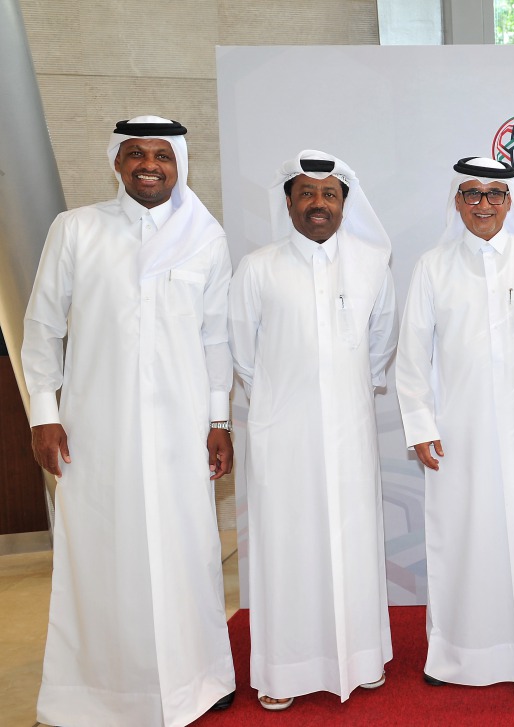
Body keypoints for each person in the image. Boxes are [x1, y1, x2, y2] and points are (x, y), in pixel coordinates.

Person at [22, 116, 236, 725]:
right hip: (97, 431)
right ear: (117, 163)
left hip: (181, 431)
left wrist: (219, 422)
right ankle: (91, 696)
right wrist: (45, 413)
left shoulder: (206, 239)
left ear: (180, 166)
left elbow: (215, 340)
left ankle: (200, 681)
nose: (150, 165)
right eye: (137, 154)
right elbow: (43, 327)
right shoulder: (76, 230)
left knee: (186, 552)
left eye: (163, 156)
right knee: (99, 557)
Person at [394, 157, 514, 689]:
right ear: (456, 202)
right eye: (471, 194)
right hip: (458, 432)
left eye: (496, 194)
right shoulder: (433, 264)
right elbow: (412, 354)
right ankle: (459, 655)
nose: (483, 204)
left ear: (511, 201)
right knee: (461, 534)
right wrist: (421, 424)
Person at [229, 150, 397, 711]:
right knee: (288, 547)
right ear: (289, 202)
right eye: (306, 193)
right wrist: (282, 400)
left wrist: (344, 392)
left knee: (353, 540)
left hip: (350, 430)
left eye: (329, 194)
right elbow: (245, 357)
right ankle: (286, 671)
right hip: (284, 434)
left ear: (344, 202)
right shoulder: (258, 267)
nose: (318, 203)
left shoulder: (374, 262)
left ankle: (361, 660)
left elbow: (380, 344)